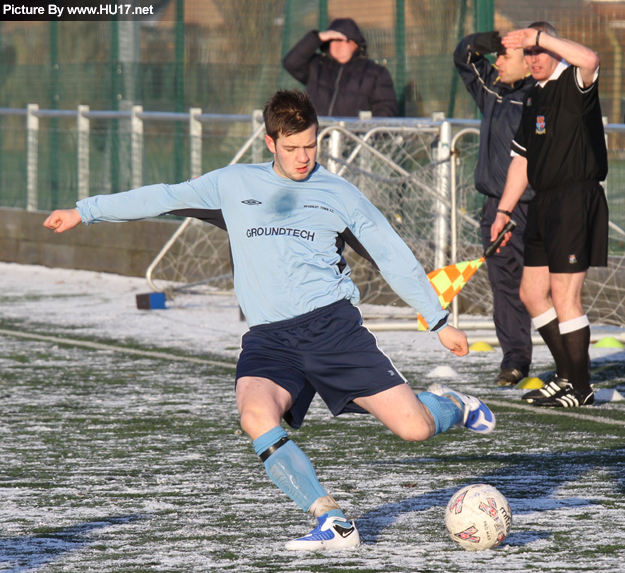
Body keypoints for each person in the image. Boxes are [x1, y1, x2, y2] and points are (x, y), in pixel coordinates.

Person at [44, 90, 495, 550]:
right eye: (292, 147)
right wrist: (85, 211)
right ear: (269, 142)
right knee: (255, 414)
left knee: (414, 428)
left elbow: (393, 257)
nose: (303, 158)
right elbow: (163, 197)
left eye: (311, 145)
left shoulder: (340, 194)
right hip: (269, 338)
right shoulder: (233, 183)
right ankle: (331, 519)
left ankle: (452, 406)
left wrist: (440, 322)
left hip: (331, 329)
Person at [491, 23, 608, 408]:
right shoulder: (533, 96)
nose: (533, 59)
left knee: (564, 296)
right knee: (531, 293)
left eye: (537, 51)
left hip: (576, 199)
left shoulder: (575, 80)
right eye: (527, 53)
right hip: (543, 205)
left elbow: (590, 58)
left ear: (554, 48)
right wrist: (503, 211)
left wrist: (537, 37)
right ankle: (566, 376)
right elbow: (522, 160)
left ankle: (581, 386)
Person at [454, 31, 535, 387]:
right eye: (495, 56)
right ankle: (515, 360)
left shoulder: (543, 95)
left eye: (506, 56)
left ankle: (569, 368)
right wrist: (492, 40)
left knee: (545, 289)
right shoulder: (493, 89)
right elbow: (464, 57)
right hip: (495, 210)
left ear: (530, 59)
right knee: (505, 286)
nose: (497, 62)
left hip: (535, 207)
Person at [282, 18, 398, 117]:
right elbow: (291, 63)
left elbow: (386, 108)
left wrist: (368, 136)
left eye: (344, 40)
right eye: (333, 40)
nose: (338, 45)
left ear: (356, 44)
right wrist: (318, 37)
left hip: (355, 140)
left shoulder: (375, 73)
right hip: (317, 138)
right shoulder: (317, 66)